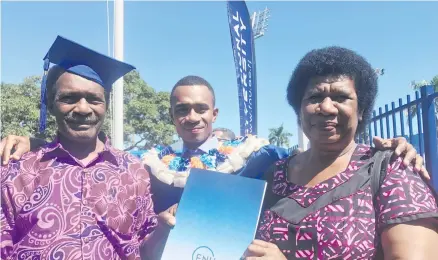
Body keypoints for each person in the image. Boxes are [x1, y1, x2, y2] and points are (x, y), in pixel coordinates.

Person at [0, 75, 430, 215]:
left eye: (201, 109)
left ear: (214, 114)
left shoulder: (256, 153)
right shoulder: (148, 162)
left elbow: (318, 153)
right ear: (172, 115)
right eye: (182, 110)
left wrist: (387, 147)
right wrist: (35, 139)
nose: (193, 117)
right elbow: (90, 150)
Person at [240, 46, 438, 259]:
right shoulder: (274, 174)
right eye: (314, 97)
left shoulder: (391, 171)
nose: (326, 107)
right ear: (299, 109)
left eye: (341, 97)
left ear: (361, 110)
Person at [0, 36, 157, 259]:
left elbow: (146, 244)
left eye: (94, 99)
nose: (83, 109)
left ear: (106, 106)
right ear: (50, 103)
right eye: (69, 98)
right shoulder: (18, 170)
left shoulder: (134, 171)